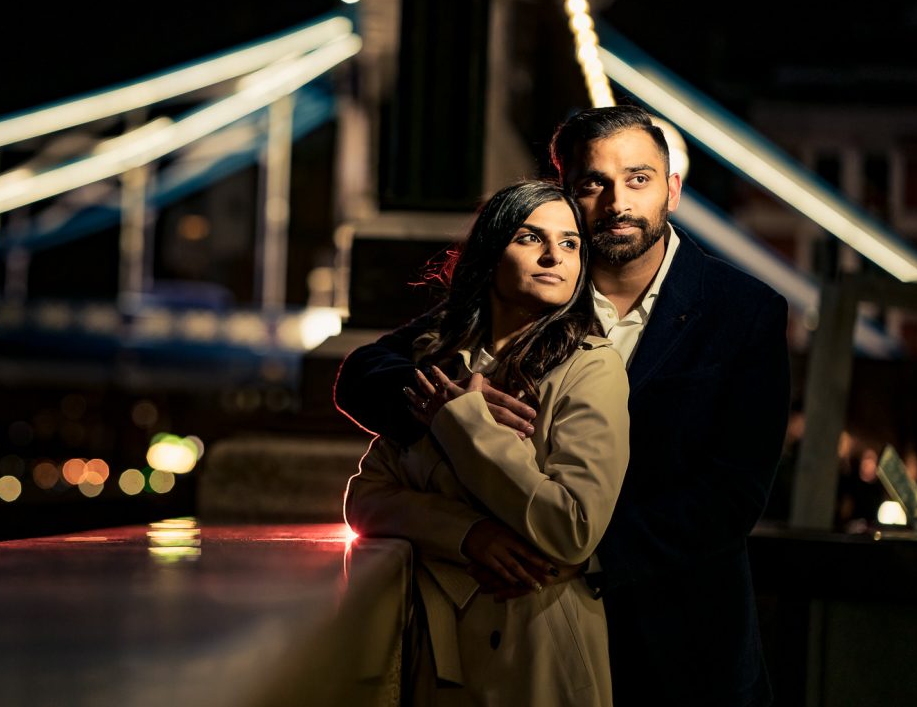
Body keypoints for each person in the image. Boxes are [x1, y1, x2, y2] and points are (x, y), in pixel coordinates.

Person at [336, 105, 791, 707]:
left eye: (638, 179)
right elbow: (365, 373)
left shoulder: (744, 310)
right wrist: (447, 413)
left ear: (671, 190)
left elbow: (732, 493)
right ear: (566, 194)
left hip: (679, 641)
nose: (617, 201)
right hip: (533, 638)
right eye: (592, 184)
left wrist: (570, 553)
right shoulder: (533, 295)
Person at [344, 180, 630, 707]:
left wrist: (461, 422)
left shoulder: (591, 367)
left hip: (533, 644)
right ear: (490, 252)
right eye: (530, 238)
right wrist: (467, 534)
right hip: (434, 650)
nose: (553, 256)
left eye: (570, 243)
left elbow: (572, 527)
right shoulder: (438, 358)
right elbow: (365, 500)